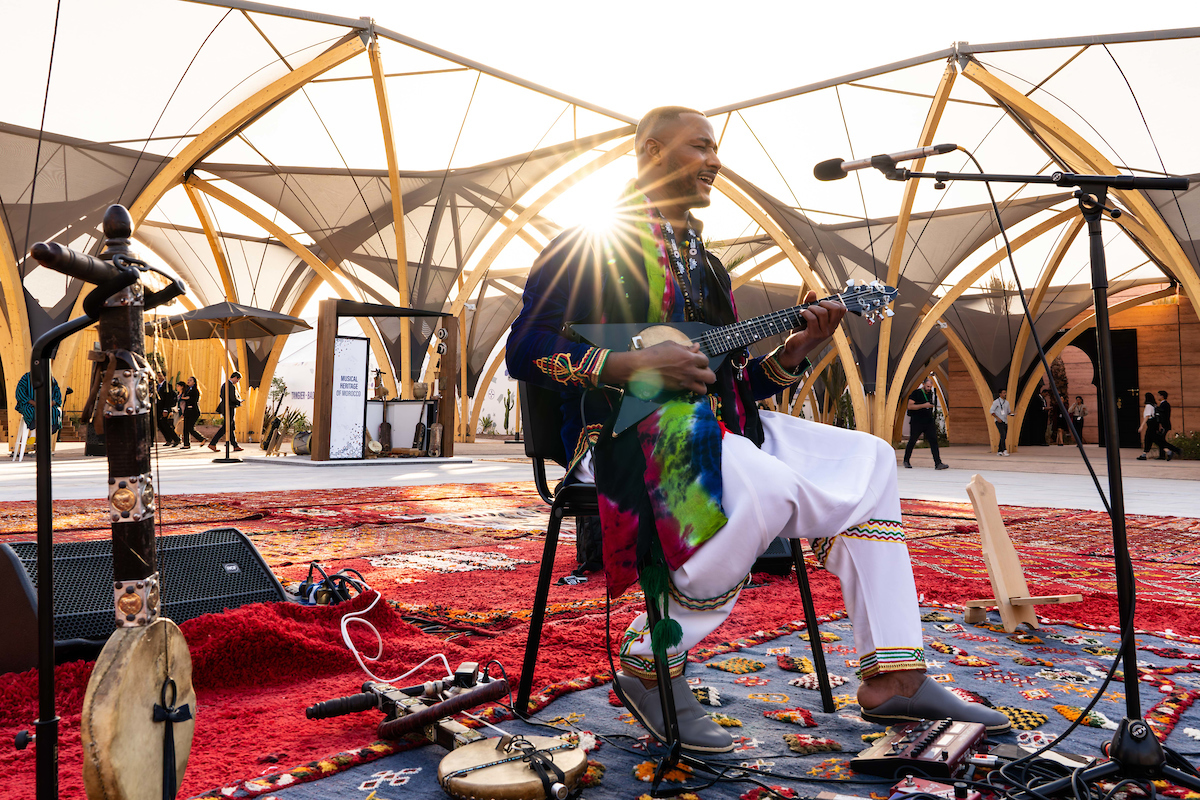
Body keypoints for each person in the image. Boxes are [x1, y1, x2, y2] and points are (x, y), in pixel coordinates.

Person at [506, 106, 1008, 754]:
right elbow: (526, 348)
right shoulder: (589, 245)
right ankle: (650, 654)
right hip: (618, 438)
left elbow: (734, 387)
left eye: (715, 148)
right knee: (764, 485)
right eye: (699, 148)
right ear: (652, 151)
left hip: (713, 429)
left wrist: (792, 354)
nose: (714, 160)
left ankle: (897, 677)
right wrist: (628, 362)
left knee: (873, 460)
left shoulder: (707, 268)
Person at [903, 376, 948, 469]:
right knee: (912, 441)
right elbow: (910, 406)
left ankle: (938, 463)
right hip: (917, 421)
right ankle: (906, 460)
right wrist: (924, 405)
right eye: (927, 386)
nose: (929, 388)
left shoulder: (931, 394)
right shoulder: (916, 393)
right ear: (923, 384)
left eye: (930, 387)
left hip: (928, 421)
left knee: (933, 441)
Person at [14, 370, 63, 437]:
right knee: (31, 411)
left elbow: (57, 393)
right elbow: (20, 392)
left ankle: (45, 435)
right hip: (30, 404)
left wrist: (51, 403)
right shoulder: (26, 377)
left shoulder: (50, 378)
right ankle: (33, 433)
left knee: (54, 412)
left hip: (48, 405)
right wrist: (34, 403)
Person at [208, 371, 243, 452]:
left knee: (230, 427)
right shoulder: (230, 386)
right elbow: (232, 398)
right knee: (226, 427)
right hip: (229, 407)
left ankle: (235, 445)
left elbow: (222, 395)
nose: (237, 382)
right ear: (235, 377)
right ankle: (213, 443)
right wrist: (239, 401)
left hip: (225, 407)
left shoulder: (225, 385)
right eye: (237, 380)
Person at [1152, 390, 1182, 461]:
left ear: (1162, 396)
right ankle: (1162, 455)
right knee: (1161, 440)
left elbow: (1163, 415)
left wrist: (1161, 425)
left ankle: (1176, 450)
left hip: (1164, 425)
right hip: (1164, 425)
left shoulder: (1165, 404)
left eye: (1158, 395)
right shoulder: (1163, 404)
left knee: (1161, 440)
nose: (1157, 397)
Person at [155, 372, 182, 447]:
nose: (159, 377)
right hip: (158, 407)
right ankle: (168, 439)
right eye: (158, 376)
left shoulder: (167, 386)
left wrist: (166, 409)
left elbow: (168, 399)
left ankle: (176, 439)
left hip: (164, 408)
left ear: (165, 376)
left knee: (165, 424)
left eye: (161, 376)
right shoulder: (157, 386)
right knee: (160, 425)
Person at [178, 377, 204, 449]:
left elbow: (194, 399)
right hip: (187, 411)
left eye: (190, 380)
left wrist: (188, 398)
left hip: (193, 411)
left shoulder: (195, 390)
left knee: (190, 428)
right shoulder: (187, 390)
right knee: (185, 428)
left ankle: (201, 438)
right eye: (188, 380)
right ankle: (186, 444)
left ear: (194, 382)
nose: (188, 381)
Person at [989, 389, 1011, 456]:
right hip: (999, 421)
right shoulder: (996, 402)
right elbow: (991, 411)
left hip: (1005, 421)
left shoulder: (1007, 402)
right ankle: (1004, 450)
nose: (1005, 394)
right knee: (1003, 434)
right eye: (1004, 393)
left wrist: (1011, 414)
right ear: (1000, 394)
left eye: (1005, 393)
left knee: (1003, 436)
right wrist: (997, 418)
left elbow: (1008, 411)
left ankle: (999, 451)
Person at [1137, 392, 1158, 460]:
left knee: (1149, 438)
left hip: (1151, 423)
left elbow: (1147, 416)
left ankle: (1168, 451)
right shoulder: (1153, 405)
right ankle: (1144, 454)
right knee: (1151, 439)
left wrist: (1142, 426)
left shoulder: (1148, 406)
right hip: (1153, 423)